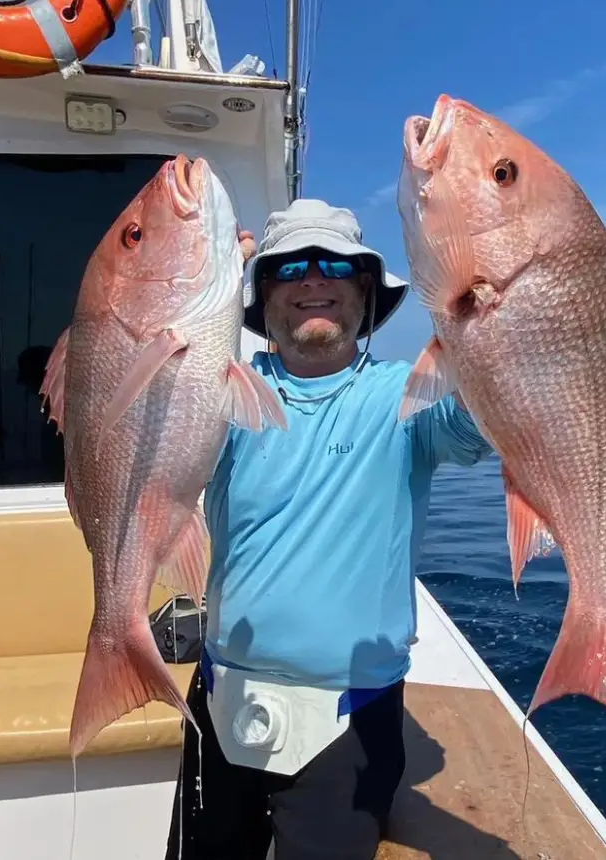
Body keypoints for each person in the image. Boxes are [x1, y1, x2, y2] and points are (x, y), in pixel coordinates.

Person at [164, 199, 493, 860]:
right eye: (289, 268)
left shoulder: (407, 394)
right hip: (223, 694)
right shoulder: (223, 392)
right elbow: (150, 428)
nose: (313, 279)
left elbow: (484, 419)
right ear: (263, 295)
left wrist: (477, 297)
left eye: (335, 265)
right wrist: (190, 288)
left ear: (363, 291)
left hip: (348, 717)